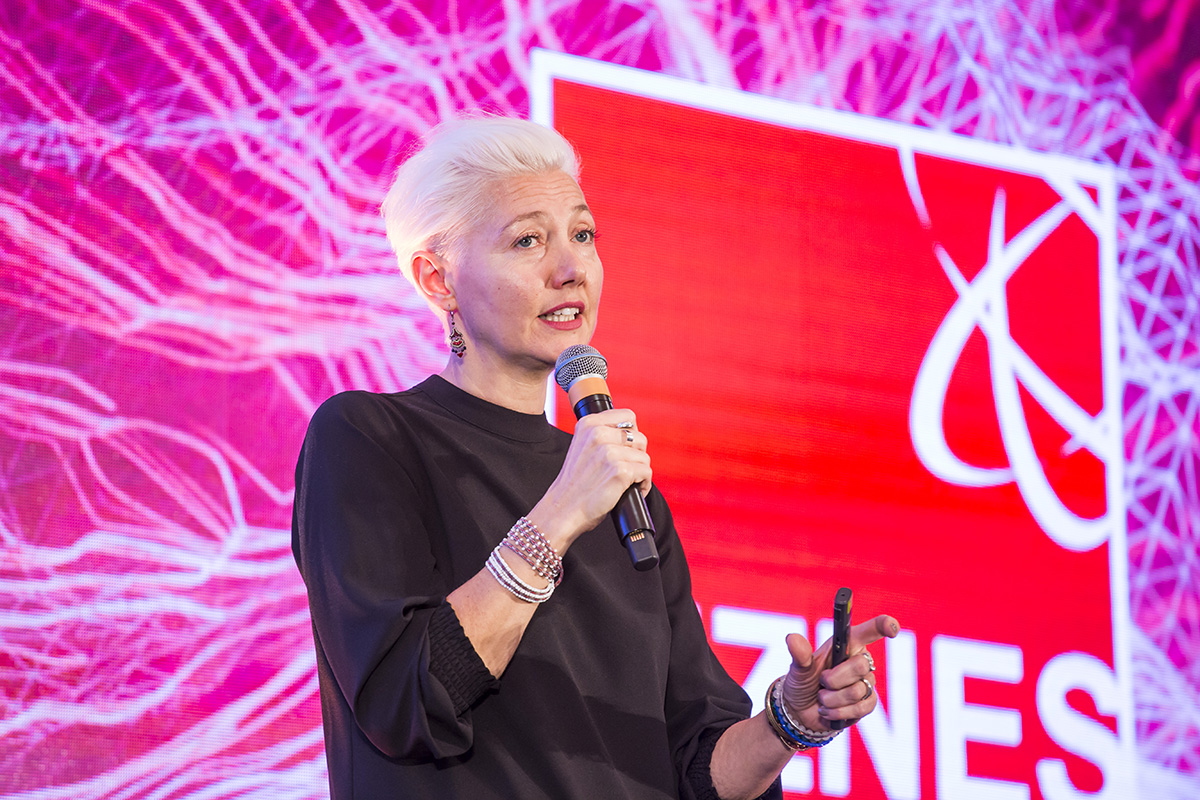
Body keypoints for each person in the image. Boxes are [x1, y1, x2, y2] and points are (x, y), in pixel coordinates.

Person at [291, 116, 899, 800]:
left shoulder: (625, 491)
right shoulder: (370, 438)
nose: (570, 270)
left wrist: (790, 722)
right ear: (438, 280)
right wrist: (559, 515)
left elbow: (694, 765)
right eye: (528, 241)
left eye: (582, 235)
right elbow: (404, 701)